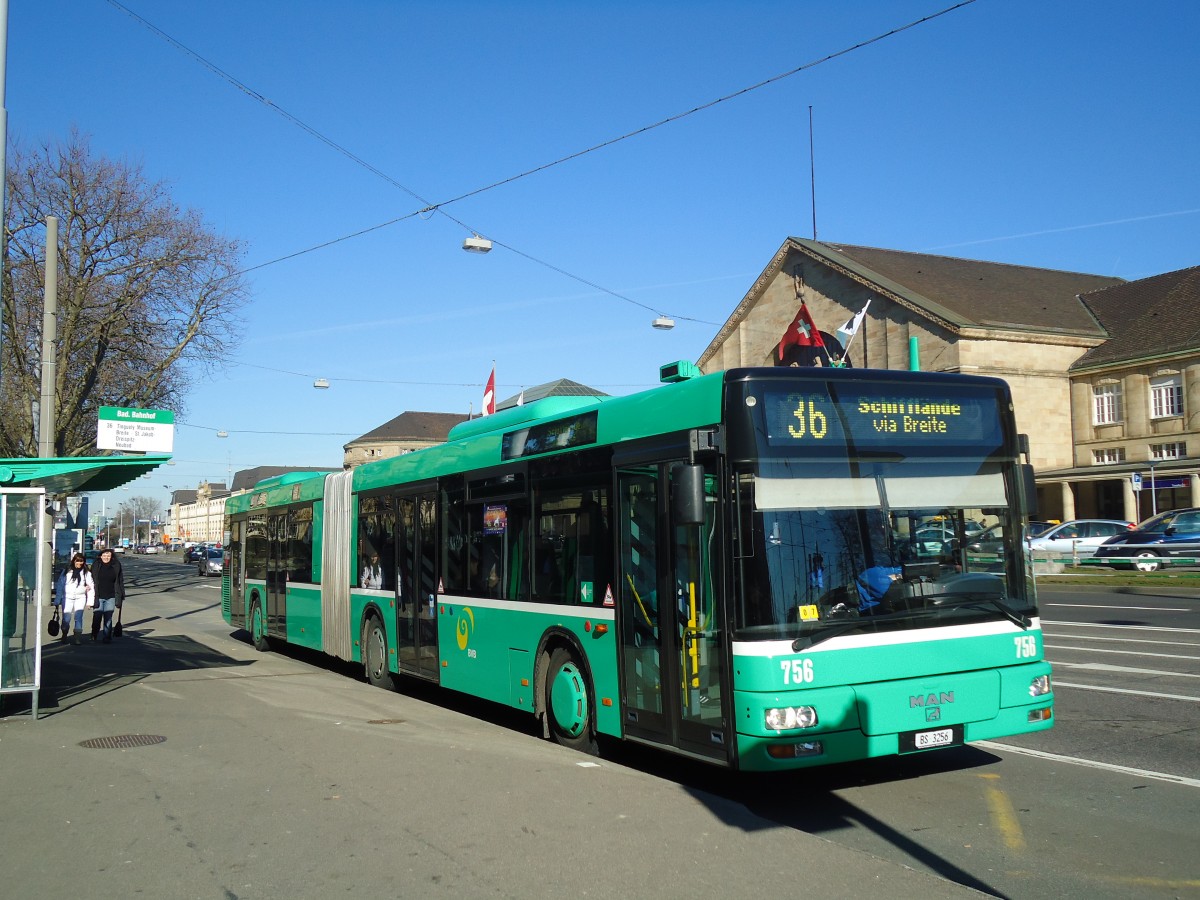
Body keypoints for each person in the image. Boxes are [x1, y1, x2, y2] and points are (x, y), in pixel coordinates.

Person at [55, 553, 95, 645]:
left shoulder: (87, 573)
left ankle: (77, 637)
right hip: (67, 597)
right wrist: (57, 600)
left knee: (78, 617)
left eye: (81, 561)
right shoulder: (66, 571)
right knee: (66, 618)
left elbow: (91, 587)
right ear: (74, 561)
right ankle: (64, 633)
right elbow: (60, 586)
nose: (79, 563)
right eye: (77, 561)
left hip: (80, 597)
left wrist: (90, 602)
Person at [90, 547, 125, 643]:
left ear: (112, 556)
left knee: (108, 617)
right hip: (98, 595)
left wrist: (122, 594)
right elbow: (91, 579)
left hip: (111, 595)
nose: (106, 557)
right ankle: (94, 633)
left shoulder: (116, 565)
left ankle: (107, 636)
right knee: (97, 616)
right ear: (100, 556)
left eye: (108, 555)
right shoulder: (96, 565)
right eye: (104, 555)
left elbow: (120, 581)